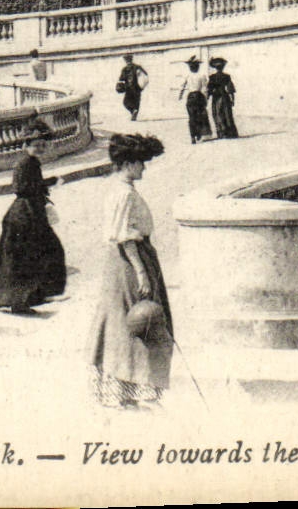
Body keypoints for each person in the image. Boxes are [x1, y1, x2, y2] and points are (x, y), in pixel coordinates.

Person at [86, 133, 172, 409]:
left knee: (123, 322)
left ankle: (122, 389)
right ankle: (133, 389)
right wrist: (142, 272)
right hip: (129, 262)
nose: (143, 168)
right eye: (140, 163)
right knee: (139, 320)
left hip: (123, 261)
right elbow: (124, 237)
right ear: (127, 164)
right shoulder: (124, 194)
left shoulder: (119, 190)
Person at [0, 120, 67, 313]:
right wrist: (48, 183)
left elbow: (31, 185)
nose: (40, 148)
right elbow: (20, 188)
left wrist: (45, 185)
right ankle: (19, 301)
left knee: (40, 254)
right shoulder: (24, 163)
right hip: (24, 216)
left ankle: (31, 296)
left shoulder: (32, 162)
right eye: (36, 145)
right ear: (26, 145)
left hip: (30, 213)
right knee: (26, 257)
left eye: (42, 145)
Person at [177, 57, 212, 144]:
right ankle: (198, 133)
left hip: (191, 97)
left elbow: (182, 86)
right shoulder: (202, 76)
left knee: (192, 117)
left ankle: (193, 136)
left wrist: (180, 95)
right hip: (199, 97)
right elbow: (204, 88)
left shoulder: (187, 76)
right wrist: (206, 98)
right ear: (197, 67)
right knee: (199, 116)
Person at [207, 57, 238, 139]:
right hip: (224, 96)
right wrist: (233, 99)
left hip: (216, 97)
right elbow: (230, 89)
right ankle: (230, 133)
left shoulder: (212, 77)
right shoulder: (226, 76)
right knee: (227, 114)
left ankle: (221, 133)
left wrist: (207, 98)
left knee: (218, 114)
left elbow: (209, 89)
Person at [116, 54, 148, 121]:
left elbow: (121, 79)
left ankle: (133, 111)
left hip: (128, 89)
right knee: (136, 102)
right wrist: (142, 85)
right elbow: (145, 75)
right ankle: (134, 112)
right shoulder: (137, 67)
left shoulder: (125, 69)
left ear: (125, 60)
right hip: (137, 88)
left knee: (126, 102)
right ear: (132, 59)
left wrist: (120, 86)